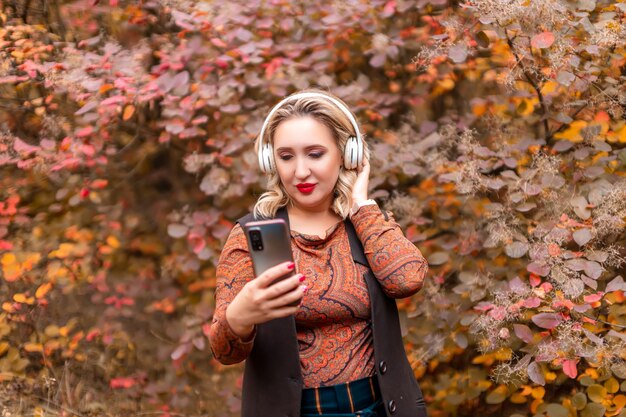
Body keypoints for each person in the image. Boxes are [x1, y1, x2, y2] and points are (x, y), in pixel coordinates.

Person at [208, 88, 429, 417]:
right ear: (271, 161)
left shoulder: (364, 224)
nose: (299, 172)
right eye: (286, 157)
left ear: (346, 154)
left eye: (315, 154)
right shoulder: (251, 236)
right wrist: (241, 316)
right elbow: (224, 351)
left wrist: (361, 205)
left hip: (382, 408)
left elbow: (406, 280)